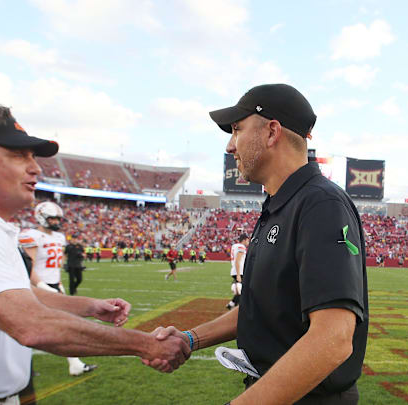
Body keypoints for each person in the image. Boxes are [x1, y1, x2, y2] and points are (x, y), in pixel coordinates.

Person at [0, 105, 189, 405]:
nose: (35, 168)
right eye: (18, 155)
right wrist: (145, 344)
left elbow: (18, 294)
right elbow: (33, 325)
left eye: (33, 157)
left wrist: (87, 306)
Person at [145, 84, 368, 404]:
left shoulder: (320, 204)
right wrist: (190, 339)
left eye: (237, 130)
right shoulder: (279, 205)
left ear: (271, 132)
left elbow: (333, 338)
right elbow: (261, 309)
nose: (229, 146)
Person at [19, 201, 96, 376]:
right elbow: (27, 265)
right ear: (41, 217)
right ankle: (24, 368)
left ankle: (74, 364)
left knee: (65, 324)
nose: (55, 222)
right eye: (52, 218)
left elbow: (56, 266)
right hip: (36, 287)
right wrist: (41, 285)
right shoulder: (31, 235)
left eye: (57, 218)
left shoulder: (59, 238)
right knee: (30, 327)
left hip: (53, 285)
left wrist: (58, 283)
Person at [226, 234, 248, 310]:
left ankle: (231, 304)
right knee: (241, 291)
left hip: (236, 270)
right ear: (244, 240)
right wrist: (238, 274)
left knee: (241, 290)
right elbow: (238, 261)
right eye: (247, 240)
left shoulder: (235, 246)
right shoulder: (241, 247)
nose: (248, 242)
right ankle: (235, 307)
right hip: (239, 271)